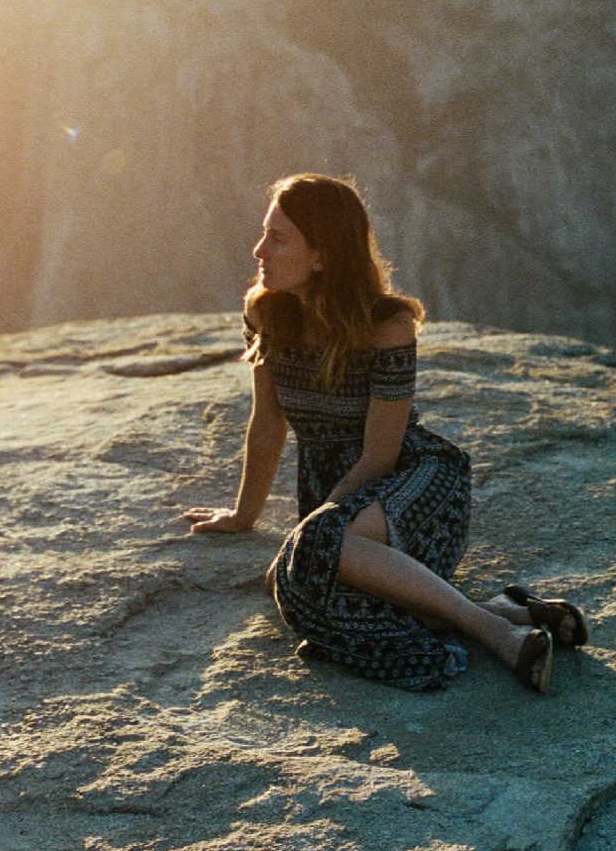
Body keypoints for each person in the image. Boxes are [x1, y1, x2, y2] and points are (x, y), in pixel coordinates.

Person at [183, 172, 588, 693]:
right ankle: (505, 611)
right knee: (298, 576)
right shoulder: (265, 312)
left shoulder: (388, 326)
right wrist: (244, 516)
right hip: (339, 493)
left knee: (309, 562)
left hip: (411, 484)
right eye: (265, 232)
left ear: (322, 256)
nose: (259, 249)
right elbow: (268, 422)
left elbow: (380, 455)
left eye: (278, 238)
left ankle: (499, 636)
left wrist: (311, 534)